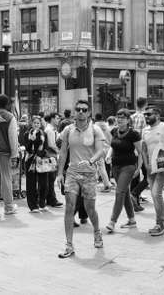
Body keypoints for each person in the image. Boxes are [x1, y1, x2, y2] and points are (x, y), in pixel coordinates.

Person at [56, 100, 105, 258]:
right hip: (72, 172)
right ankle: (69, 245)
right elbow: (63, 152)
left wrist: (91, 160)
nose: (81, 112)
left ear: (89, 112)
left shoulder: (95, 129)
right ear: (75, 112)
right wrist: (59, 174)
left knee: (90, 209)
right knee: (69, 206)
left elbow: (100, 151)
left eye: (84, 110)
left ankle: (97, 233)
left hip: (89, 173)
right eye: (78, 109)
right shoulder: (68, 130)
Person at [105, 109, 143, 233]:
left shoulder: (134, 134)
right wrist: (108, 155)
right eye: (118, 117)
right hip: (115, 166)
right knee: (125, 193)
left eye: (123, 117)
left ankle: (112, 221)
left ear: (128, 120)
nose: (120, 119)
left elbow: (141, 152)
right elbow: (112, 146)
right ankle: (132, 220)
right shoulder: (114, 131)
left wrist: (139, 168)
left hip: (129, 166)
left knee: (119, 192)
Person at [141, 106, 164, 236]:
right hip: (151, 168)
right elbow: (143, 149)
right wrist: (146, 164)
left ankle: (160, 224)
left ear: (157, 114)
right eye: (145, 114)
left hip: (163, 166)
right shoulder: (145, 130)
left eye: (149, 114)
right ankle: (160, 223)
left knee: (156, 194)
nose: (146, 117)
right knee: (154, 195)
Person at [24, 116, 49, 212]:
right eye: (34, 123)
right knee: (31, 184)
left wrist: (39, 155)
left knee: (43, 184)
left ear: (40, 124)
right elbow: (27, 148)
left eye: (38, 123)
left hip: (41, 160)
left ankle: (42, 203)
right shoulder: (27, 134)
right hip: (30, 160)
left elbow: (45, 148)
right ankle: (33, 206)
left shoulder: (43, 134)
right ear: (31, 124)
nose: (36, 125)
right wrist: (31, 140)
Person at [130, 97, 148, 212]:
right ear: (145, 104)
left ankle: (134, 202)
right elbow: (144, 135)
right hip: (141, 149)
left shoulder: (131, 117)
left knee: (135, 177)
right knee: (149, 176)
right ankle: (135, 193)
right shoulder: (143, 117)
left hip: (131, 150)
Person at [44, 112, 63, 208]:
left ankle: (49, 199)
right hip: (50, 155)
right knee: (51, 178)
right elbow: (51, 144)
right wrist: (59, 151)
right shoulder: (50, 130)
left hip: (51, 155)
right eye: (57, 118)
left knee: (50, 178)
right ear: (52, 119)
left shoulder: (52, 129)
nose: (58, 120)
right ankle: (52, 199)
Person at [94, 113, 113, 193]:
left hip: (99, 148)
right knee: (104, 166)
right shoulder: (106, 126)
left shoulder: (94, 126)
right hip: (107, 148)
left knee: (100, 167)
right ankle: (107, 183)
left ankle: (106, 184)